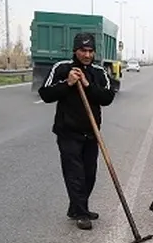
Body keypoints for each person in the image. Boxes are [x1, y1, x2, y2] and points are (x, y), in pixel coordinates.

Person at [38, 32, 117, 230]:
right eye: (83, 50)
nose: (87, 55)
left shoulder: (99, 73)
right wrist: (68, 84)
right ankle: (81, 213)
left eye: (90, 51)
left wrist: (88, 86)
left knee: (89, 174)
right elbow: (45, 94)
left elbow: (107, 97)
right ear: (75, 51)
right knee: (75, 174)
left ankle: (77, 208)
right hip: (68, 132)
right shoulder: (62, 68)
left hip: (92, 133)